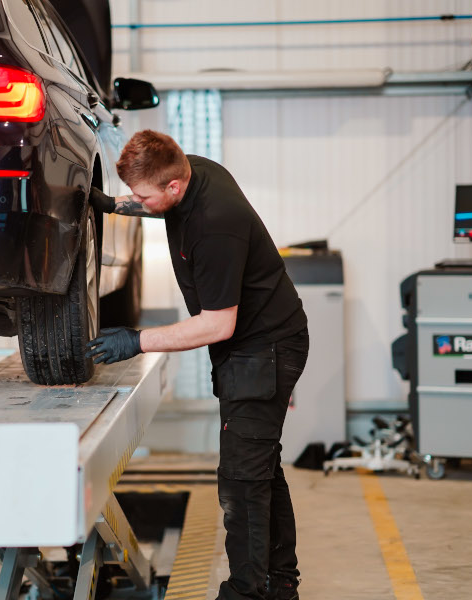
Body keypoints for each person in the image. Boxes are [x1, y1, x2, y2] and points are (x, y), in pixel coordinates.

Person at [85, 130, 309, 600]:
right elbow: (147, 198)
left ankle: (246, 591)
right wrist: (111, 205)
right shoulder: (187, 170)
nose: (137, 201)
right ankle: (281, 583)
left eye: (142, 196)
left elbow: (217, 325)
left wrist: (136, 341)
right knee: (261, 468)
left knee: (241, 482)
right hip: (250, 346)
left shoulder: (215, 224)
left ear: (174, 188)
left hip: (263, 348)